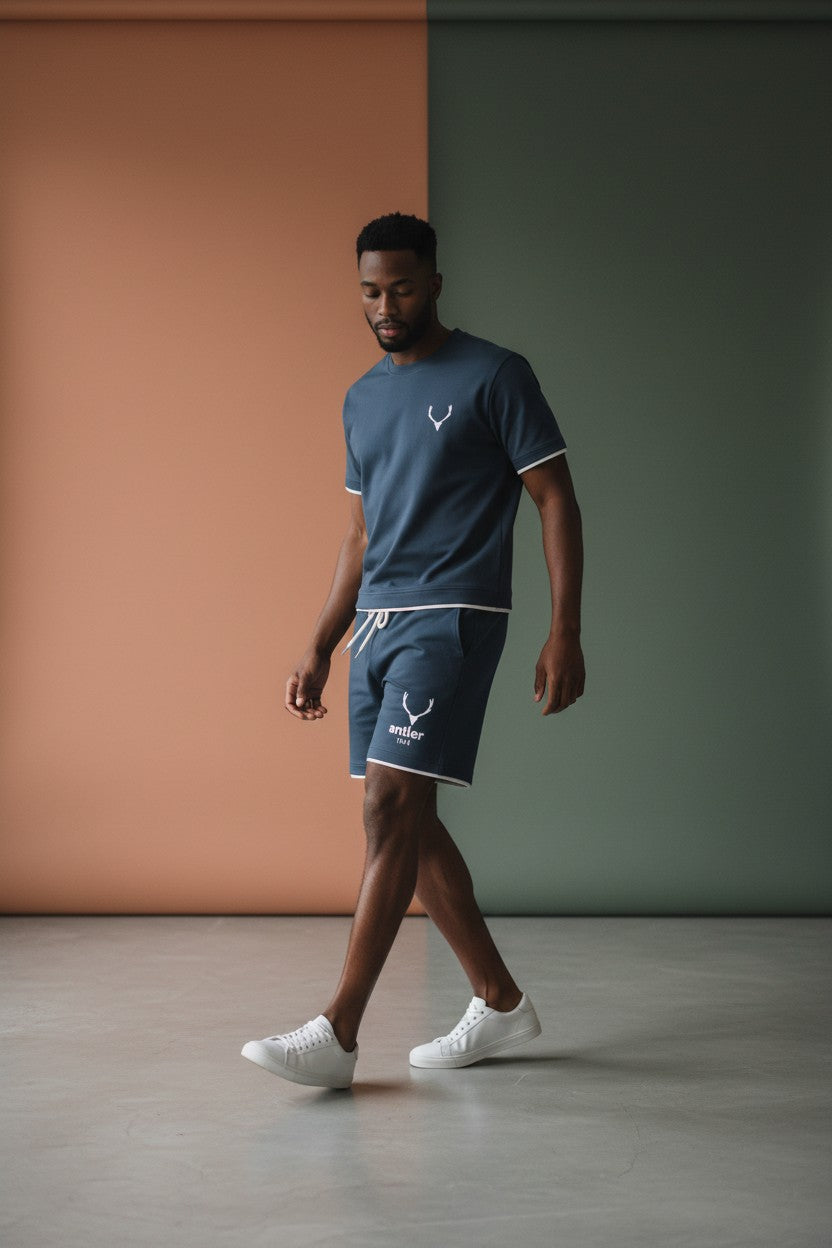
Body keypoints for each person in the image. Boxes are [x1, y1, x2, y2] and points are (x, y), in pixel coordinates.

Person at [241, 212, 585, 1089]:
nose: (384, 305)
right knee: (413, 824)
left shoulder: (496, 374)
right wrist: (320, 645)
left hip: (456, 615)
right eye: (369, 290)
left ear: (434, 281)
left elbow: (553, 498)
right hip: (380, 626)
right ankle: (500, 1002)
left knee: (389, 810)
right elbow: (357, 538)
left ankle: (339, 1033)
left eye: (399, 287)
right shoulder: (361, 397)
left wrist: (564, 628)